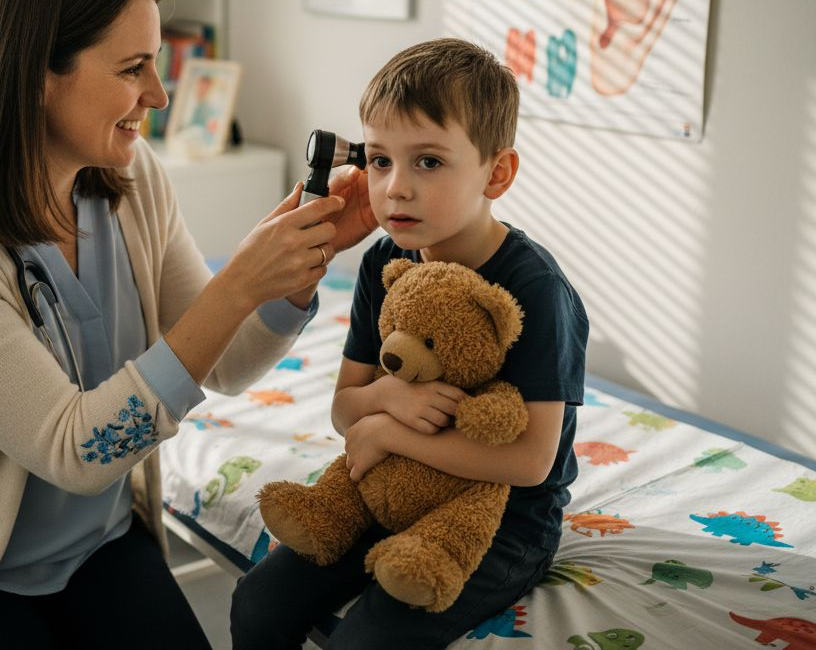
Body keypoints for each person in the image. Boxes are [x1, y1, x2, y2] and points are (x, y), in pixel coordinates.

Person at [0, 0, 375, 650]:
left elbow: (228, 364)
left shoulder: (131, 180)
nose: (158, 94)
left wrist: (299, 262)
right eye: (132, 69)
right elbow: (77, 451)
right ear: (35, 73)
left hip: (97, 548)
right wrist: (238, 280)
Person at [231, 38, 588, 650]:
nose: (394, 187)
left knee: (369, 639)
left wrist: (387, 430)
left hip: (500, 518)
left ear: (496, 173)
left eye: (428, 161)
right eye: (378, 160)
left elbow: (531, 462)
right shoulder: (385, 262)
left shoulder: (534, 287)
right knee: (259, 602)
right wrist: (388, 399)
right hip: (390, 490)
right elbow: (347, 409)